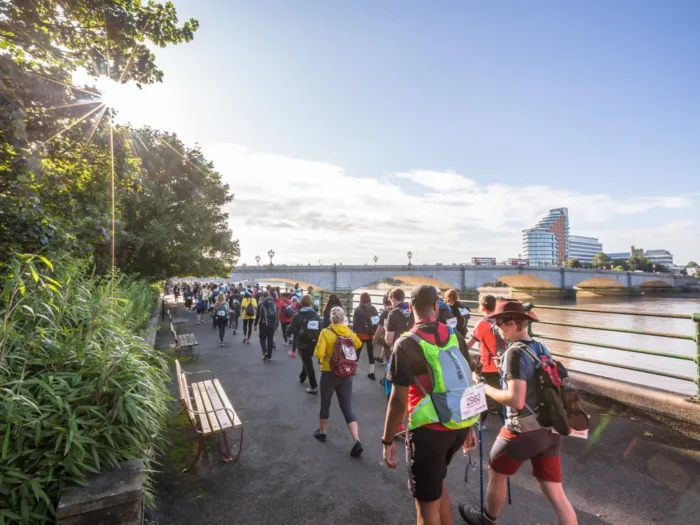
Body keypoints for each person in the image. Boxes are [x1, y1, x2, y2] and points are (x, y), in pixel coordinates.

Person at [459, 299, 577, 525]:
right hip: (549, 430)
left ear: (512, 323)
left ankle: (487, 519)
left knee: (496, 471)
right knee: (554, 492)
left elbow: (516, 399)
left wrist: (484, 386)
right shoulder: (540, 346)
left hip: (522, 430)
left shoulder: (514, 353)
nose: (497, 329)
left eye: (499, 324)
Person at [383, 285, 478, 525]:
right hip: (458, 424)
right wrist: (471, 425)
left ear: (411, 307)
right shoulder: (455, 335)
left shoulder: (405, 344)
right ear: (436, 306)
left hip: (428, 432)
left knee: (425, 506)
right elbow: (467, 379)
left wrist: (387, 440)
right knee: (436, 484)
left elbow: (398, 402)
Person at [313, 306, 364, 457]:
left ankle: (322, 432)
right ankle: (357, 440)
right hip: (346, 374)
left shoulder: (326, 332)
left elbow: (319, 352)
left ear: (331, 318)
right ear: (343, 319)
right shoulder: (348, 331)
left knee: (325, 403)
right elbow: (359, 344)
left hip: (329, 373)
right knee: (347, 407)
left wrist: (323, 358)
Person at [467, 295, 505, 427]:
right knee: (499, 392)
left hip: (487, 365)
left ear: (482, 307)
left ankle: (481, 422)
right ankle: (506, 421)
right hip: (501, 363)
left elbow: (470, 343)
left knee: (482, 394)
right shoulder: (501, 320)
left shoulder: (482, 323)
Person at [288, 294, 322, 393]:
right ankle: (303, 376)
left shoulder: (298, 315)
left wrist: (289, 332)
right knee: (307, 360)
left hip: (302, 343)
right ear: (311, 303)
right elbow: (320, 329)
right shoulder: (315, 315)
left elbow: (290, 329)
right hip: (314, 342)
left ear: (301, 303)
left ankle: (313, 386)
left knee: (308, 363)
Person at [352, 292, 379, 380]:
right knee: (370, 353)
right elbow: (376, 321)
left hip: (361, 335)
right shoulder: (373, 308)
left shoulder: (357, 309)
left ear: (361, 300)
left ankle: (353, 370)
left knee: (357, 353)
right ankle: (371, 372)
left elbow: (355, 325)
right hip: (370, 335)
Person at [255, 291, 279, 360]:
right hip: (272, 324)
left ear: (263, 296)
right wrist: (276, 324)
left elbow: (257, 315)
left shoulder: (261, 304)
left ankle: (264, 352)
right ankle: (270, 355)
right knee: (270, 340)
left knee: (262, 339)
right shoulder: (274, 304)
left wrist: (255, 324)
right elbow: (277, 314)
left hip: (263, 324)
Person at [373, 293, 393, 364]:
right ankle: (381, 357)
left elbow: (379, 330)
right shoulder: (400, 310)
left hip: (392, 338)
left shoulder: (385, 314)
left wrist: (374, 339)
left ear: (384, 303)